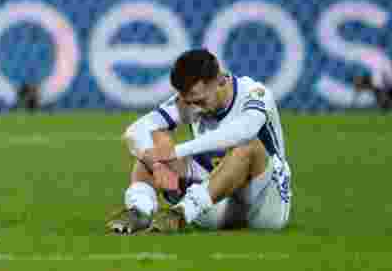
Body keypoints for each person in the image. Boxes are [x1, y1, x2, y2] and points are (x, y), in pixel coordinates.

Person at [108, 49, 292, 234]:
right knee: (153, 145)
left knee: (248, 146)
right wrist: (154, 161)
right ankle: (140, 211)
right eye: (189, 102)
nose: (195, 109)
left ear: (219, 80)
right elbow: (135, 131)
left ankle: (181, 213)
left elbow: (243, 131)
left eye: (201, 101)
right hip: (215, 201)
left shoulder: (255, 93)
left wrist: (178, 151)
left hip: (264, 207)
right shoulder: (188, 100)